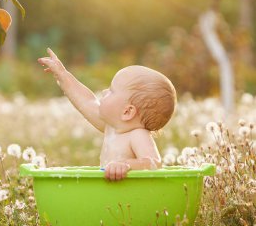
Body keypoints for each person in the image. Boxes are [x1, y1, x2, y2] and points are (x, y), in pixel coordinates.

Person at [38, 48, 177, 181]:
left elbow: (153, 162)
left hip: (130, 199)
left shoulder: (137, 135)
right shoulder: (112, 127)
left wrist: (126, 165)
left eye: (111, 90)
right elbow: (86, 101)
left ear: (127, 112)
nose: (104, 91)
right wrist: (62, 74)